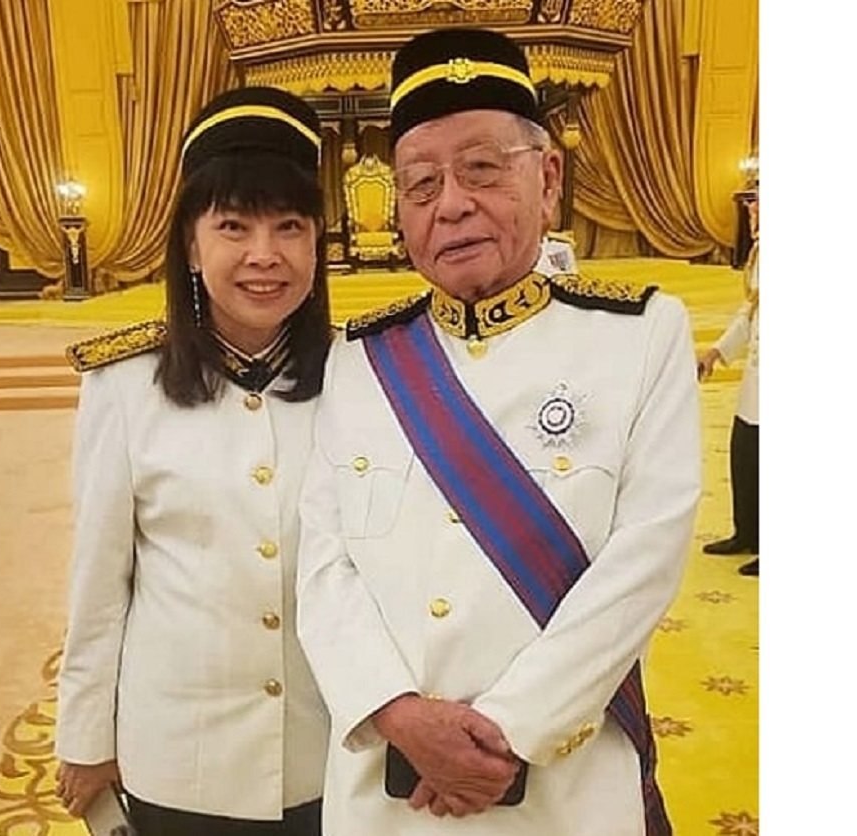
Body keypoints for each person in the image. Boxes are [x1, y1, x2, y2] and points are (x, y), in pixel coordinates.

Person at [295, 27, 701, 836]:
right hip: (390, 790)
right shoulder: (362, 357)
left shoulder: (641, 335)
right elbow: (323, 563)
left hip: (562, 783)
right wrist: (399, 713)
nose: (451, 203)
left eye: (483, 169)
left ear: (548, 179)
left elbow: (645, 560)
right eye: (420, 183)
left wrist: (510, 730)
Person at [53, 86, 333, 836]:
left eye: (290, 227)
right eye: (233, 226)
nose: (264, 255)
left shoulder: (362, 381)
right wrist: (85, 736)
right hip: (180, 756)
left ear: (317, 243)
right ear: (190, 244)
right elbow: (99, 581)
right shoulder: (124, 387)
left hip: (333, 752)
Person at [698, 185, 760, 576]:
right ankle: (748, 532)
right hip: (756, 381)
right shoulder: (761, 253)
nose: (752, 210)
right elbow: (751, 310)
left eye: (759, 203)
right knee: (746, 454)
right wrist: (717, 351)